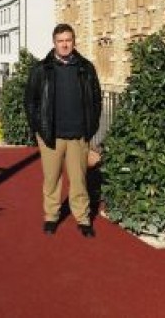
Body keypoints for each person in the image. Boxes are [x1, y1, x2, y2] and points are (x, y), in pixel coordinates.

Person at [25, 23, 101, 238]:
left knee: (79, 180)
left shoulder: (86, 68)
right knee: (52, 179)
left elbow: (96, 100)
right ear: (54, 43)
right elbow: (30, 102)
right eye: (60, 41)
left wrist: (91, 127)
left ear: (74, 41)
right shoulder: (41, 70)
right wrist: (38, 129)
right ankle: (51, 216)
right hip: (51, 136)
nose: (65, 44)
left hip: (78, 135)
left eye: (68, 40)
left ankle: (83, 218)